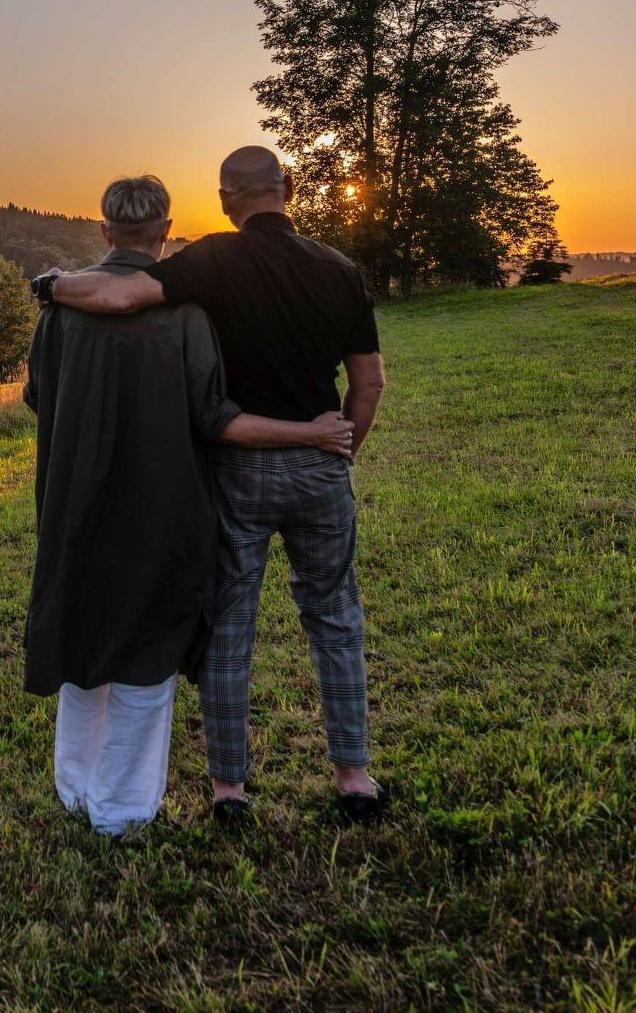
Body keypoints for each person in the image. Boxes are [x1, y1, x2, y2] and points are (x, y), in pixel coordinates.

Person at [34, 147, 388, 824]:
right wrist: (340, 448)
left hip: (240, 467)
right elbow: (368, 382)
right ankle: (353, 776)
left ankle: (230, 789)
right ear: (287, 188)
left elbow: (119, 294)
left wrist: (51, 286)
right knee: (336, 619)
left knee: (229, 629)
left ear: (226, 202)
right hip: (320, 463)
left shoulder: (214, 261)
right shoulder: (339, 269)